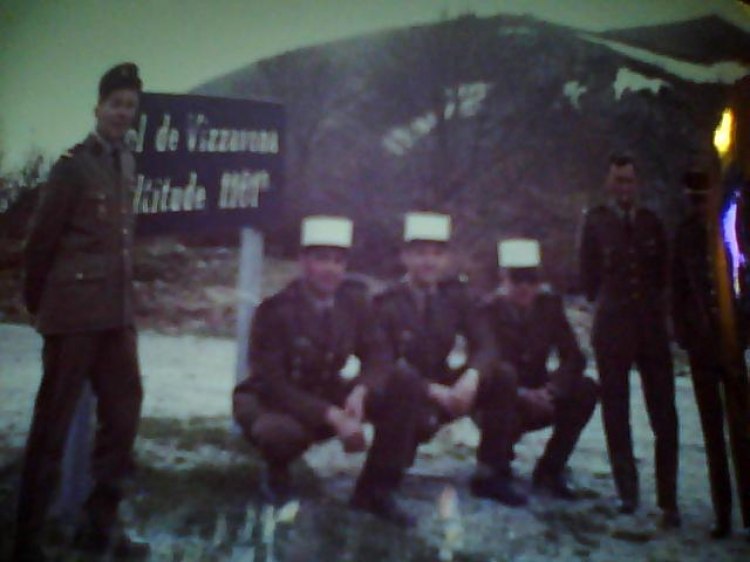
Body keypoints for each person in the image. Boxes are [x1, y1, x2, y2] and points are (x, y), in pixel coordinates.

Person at [13, 63, 149, 561]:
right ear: (97, 108)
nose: (121, 113)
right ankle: (26, 539)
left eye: (129, 106)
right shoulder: (72, 167)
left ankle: (99, 527)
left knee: (124, 414)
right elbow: (40, 243)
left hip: (116, 318)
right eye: (115, 104)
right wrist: (42, 306)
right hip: (73, 318)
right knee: (51, 427)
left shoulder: (127, 163)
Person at [233, 215, 420, 526]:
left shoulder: (353, 302)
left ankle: (376, 490)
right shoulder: (276, 310)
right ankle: (277, 476)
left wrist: (362, 390)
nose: (331, 269)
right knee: (279, 434)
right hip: (272, 400)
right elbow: (273, 383)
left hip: (324, 389)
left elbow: (379, 354)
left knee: (405, 381)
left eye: (338, 260)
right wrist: (332, 416)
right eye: (321, 259)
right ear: (303, 262)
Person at [371, 212, 525, 507]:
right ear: (404, 257)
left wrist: (471, 377)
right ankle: (380, 485)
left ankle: (491, 473)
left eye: (436, 254)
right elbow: (382, 363)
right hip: (404, 394)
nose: (429, 262)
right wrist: (432, 390)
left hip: (444, 385)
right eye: (420, 254)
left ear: (446, 259)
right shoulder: (386, 302)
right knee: (410, 424)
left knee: (502, 374)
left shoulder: (455, 296)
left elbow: (487, 344)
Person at [579, 152, 680, 528]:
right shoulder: (596, 223)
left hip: (650, 329)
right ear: (608, 184)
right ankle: (627, 492)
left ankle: (668, 498)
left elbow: (664, 273)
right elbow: (587, 278)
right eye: (618, 181)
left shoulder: (652, 223)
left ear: (638, 184)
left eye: (629, 181)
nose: (624, 188)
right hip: (612, 329)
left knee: (664, 414)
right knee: (616, 412)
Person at [481, 239, 598, 500]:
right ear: (503, 277)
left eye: (531, 279)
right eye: (517, 279)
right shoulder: (487, 310)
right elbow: (485, 363)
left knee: (587, 389)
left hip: (541, 392)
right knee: (501, 384)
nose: (525, 287)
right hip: (498, 398)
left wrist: (552, 390)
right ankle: (493, 469)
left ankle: (550, 469)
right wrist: (521, 394)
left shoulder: (549, 306)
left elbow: (573, 356)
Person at [672, 169, 750, 540]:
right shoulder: (685, 235)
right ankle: (723, 514)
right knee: (712, 435)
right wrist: (687, 335)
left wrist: (743, 332)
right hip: (703, 346)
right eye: (694, 199)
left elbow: (744, 281)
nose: (699, 206)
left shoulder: (733, 227)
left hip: (731, 343)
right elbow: (677, 291)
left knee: (744, 432)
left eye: (704, 199)